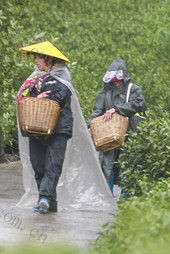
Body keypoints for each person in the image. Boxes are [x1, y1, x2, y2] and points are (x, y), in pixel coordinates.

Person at [15, 41, 116, 215]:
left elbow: (62, 95)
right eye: (36, 57)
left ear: (49, 59)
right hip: (35, 126)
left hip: (59, 128)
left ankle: (45, 197)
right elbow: (23, 97)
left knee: (53, 164)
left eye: (39, 57)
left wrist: (46, 99)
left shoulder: (62, 78)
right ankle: (49, 200)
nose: (36, 61)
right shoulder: (34, 80)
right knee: (38, 164)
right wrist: (36, 96)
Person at [88, 56, 147, 192]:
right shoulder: (105, 91)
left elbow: (138, 104)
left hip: (129, 133)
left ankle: (126, 195)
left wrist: (116, 109)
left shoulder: (133, 89)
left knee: (128, 163)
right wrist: (90, 124)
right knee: (107, 164)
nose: (116, 82)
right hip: (108, 133)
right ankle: (107, 195)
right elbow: (97, 110)